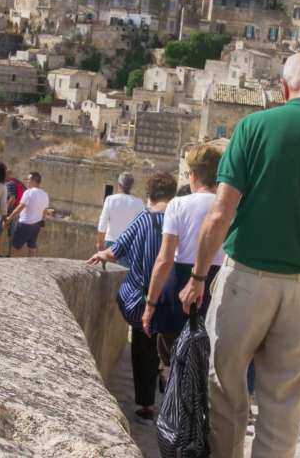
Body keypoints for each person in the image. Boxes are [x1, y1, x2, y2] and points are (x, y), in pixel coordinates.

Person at [178, 52, 300, 458]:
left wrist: (198, 276)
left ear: (284, 89)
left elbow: (220, 213)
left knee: (225, 391)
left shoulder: (253, 128)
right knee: (284, 408)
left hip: (246, 282)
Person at [87, 172, 179, 422]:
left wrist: (100, 255)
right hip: (173, 298)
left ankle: (147, 405)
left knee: (143, 347)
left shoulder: (144, 219)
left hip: (143, 298)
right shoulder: (179, 218)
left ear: (150, 194)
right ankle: (172, 396)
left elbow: (116, 249)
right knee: (172, 350)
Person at [141, 145, 226, 368]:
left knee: (176, 363)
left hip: (179, 285)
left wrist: (150, 304)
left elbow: (165, 259)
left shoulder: (178, 205)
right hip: (219, 287)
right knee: (208, 363)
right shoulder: (229, 207)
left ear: (193, 175)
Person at [98, 171, 145, 250]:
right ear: (131, 186)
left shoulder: (110, 199)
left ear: (119, 185)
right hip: (129, 244)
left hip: (110, 242)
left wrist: (100, 243)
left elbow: (102, 224)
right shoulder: (139, 203)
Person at [5, 171, 49, 257]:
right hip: (36, 225)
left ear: (33, 180)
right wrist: (42, 221)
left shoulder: (28, 192)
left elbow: (20, 207)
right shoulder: (45, 194)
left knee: (15, 248)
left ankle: (14, 266)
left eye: (28, 179)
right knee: (32, 248)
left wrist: (9, 218)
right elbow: (45, 211)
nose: (27, 181)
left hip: (24, 224)